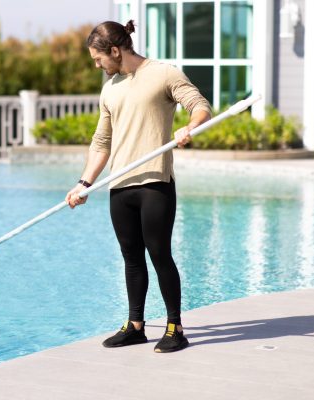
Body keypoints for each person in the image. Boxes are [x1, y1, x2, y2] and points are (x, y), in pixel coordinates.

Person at [65, 20, 211, 353]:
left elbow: (199, 105)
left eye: (99, 59)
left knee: (159, 254)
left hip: (154, 182)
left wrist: (189, 128)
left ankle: (175, 327)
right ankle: (135, 326)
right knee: (131, 258)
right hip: (121, 185)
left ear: (115, 50)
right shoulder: (110, 88)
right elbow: (102, 141)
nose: (97, 65)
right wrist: (84, 183)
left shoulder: (163, 73)